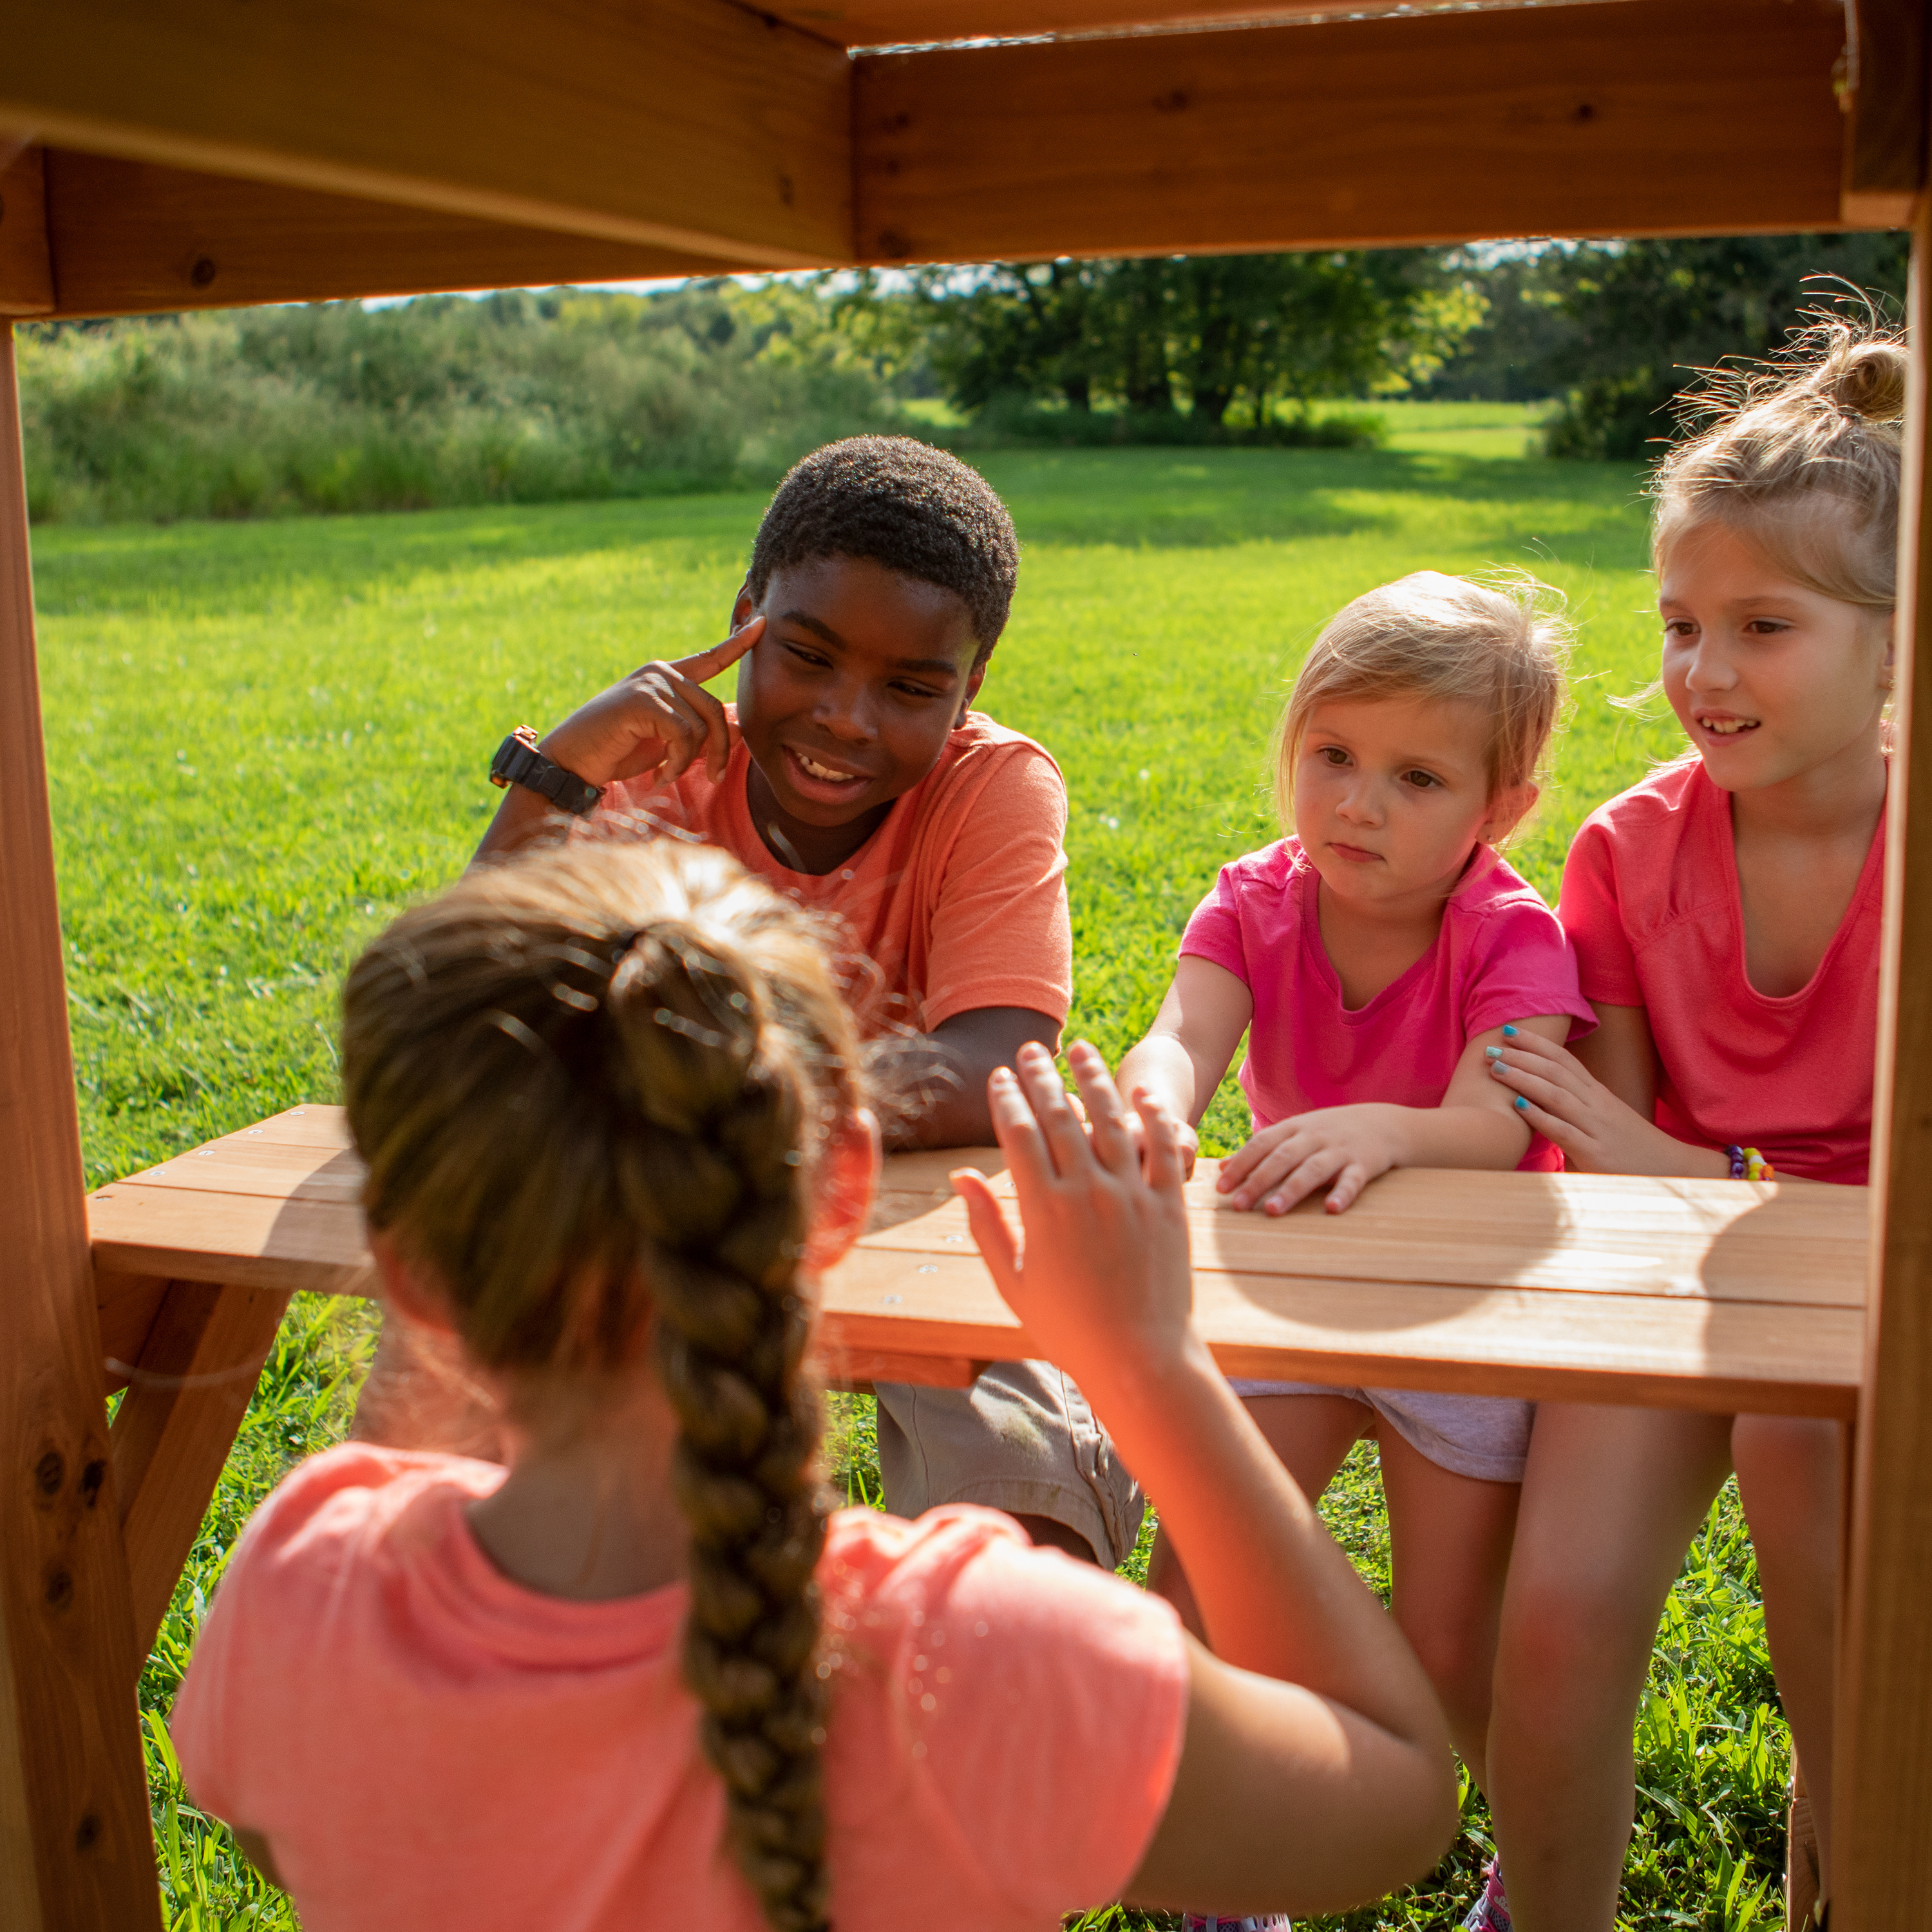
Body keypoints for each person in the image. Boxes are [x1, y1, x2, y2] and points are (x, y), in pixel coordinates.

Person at [169, 839, 1461, 1932]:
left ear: (414, 1276)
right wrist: (1150, 1365)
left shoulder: (299, 1584)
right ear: (841, 1188)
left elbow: (287, 1834)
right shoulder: (986, 1657)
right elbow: (1398, 1800)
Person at [361, 435, 1141, 1571]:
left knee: (1017, 1494)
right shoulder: (651, 759)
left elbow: (996, 1064)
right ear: (743, 621)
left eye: (912, 687)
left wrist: (720, 1097)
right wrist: (562, 769)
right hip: (668, 1205)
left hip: (915, 1212)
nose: (845, 718)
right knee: (444, 1455)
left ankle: (998, 1680)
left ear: (972, 684)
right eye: (808, 657)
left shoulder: (995, 785)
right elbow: (459, 1023)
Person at [1477, 320, 1900, 1932]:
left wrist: (1699, 1173)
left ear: (1895, 642)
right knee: (1560, 1626)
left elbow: (1839, 1203)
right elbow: (1615, 1161)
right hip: (1670, 1275)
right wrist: (1696, 1177)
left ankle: (1854, 1876)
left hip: (1874, 1300)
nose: (1702, 673)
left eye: (1763, 626)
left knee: (1840, 1601)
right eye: (1679, 625)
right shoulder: (1625, 853)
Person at [1114, 571, 1595, 1928]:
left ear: (1502, 810)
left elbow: (1498, 1122)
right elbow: (1183, 1037)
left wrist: (1386, 1130)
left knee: (1450, 1644)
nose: (1357, 805)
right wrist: (1153, 1101)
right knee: (1199, 1586)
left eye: (1417, 778)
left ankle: (1534, 1870)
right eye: (1332, 756)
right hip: (1295, 1284)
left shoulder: (1510, 932)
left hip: (1466, 1312)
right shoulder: (1256, 901)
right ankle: (1228, 1875)